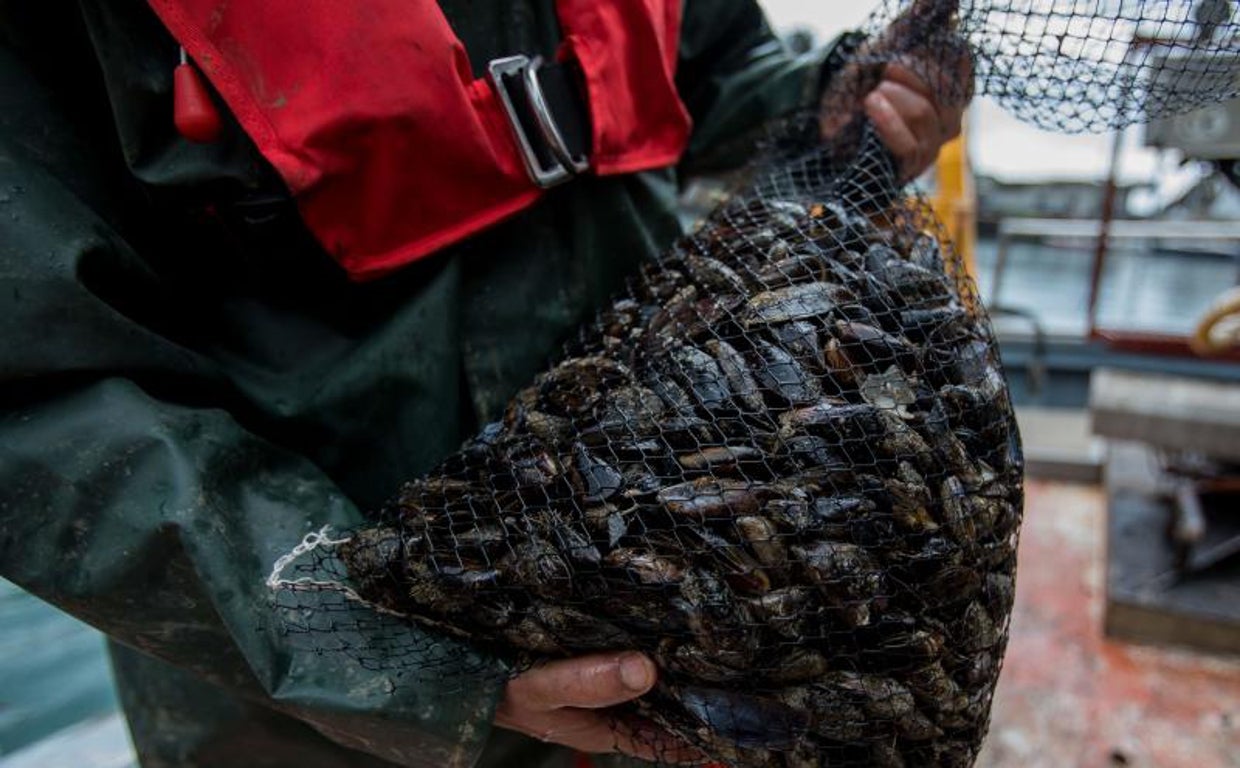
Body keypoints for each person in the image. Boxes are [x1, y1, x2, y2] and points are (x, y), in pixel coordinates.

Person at [0, 1, 964, 766]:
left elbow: (713, 75)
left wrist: (827, 105)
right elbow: (38, 396)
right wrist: (387, 654)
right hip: (313, 701)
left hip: (666, 618)